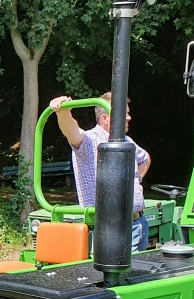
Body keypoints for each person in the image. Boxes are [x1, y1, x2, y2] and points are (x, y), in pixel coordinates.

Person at [51, 92, 151, 251]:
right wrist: (63, 112)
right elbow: (72, 131)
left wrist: (135, 180)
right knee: (118, 274)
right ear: (105, 118)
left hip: (139, 222)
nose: (129, 118)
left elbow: (145, 158)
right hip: (112, 227)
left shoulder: (126, 141)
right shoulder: (90, 141)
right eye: (125, 114)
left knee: (141, 274)